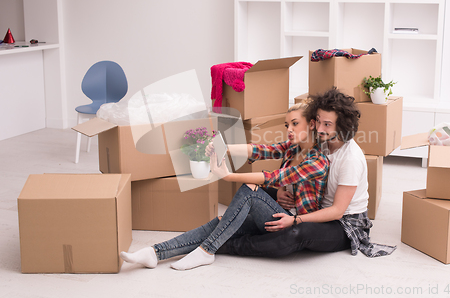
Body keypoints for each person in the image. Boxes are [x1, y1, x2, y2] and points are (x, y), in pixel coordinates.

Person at [120, 100, 330, 270]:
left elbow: (276, 176)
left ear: (311, 124)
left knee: (249, 190)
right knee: (221, 221)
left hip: (293, 225)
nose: (289, 130)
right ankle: (155, 253)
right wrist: (223, 147)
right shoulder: (292, 149)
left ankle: (207, 251)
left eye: (295, 123)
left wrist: (228, 176)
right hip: (278, 213)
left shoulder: (317, 161)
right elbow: (260, 149)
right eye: (287, 125)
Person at [216, 87, 396, 258]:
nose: (319, 128)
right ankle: (234, 228)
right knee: (257, 190)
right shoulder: (321, 141)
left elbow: (337, 211)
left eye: (327, 124)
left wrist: (296, 220)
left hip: (343, 223)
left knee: (296, 232)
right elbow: (268, 150)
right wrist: (223, 148)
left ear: (341, 126)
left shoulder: (350, 159)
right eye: (318, 121)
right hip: (316, 207)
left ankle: (230, 245)